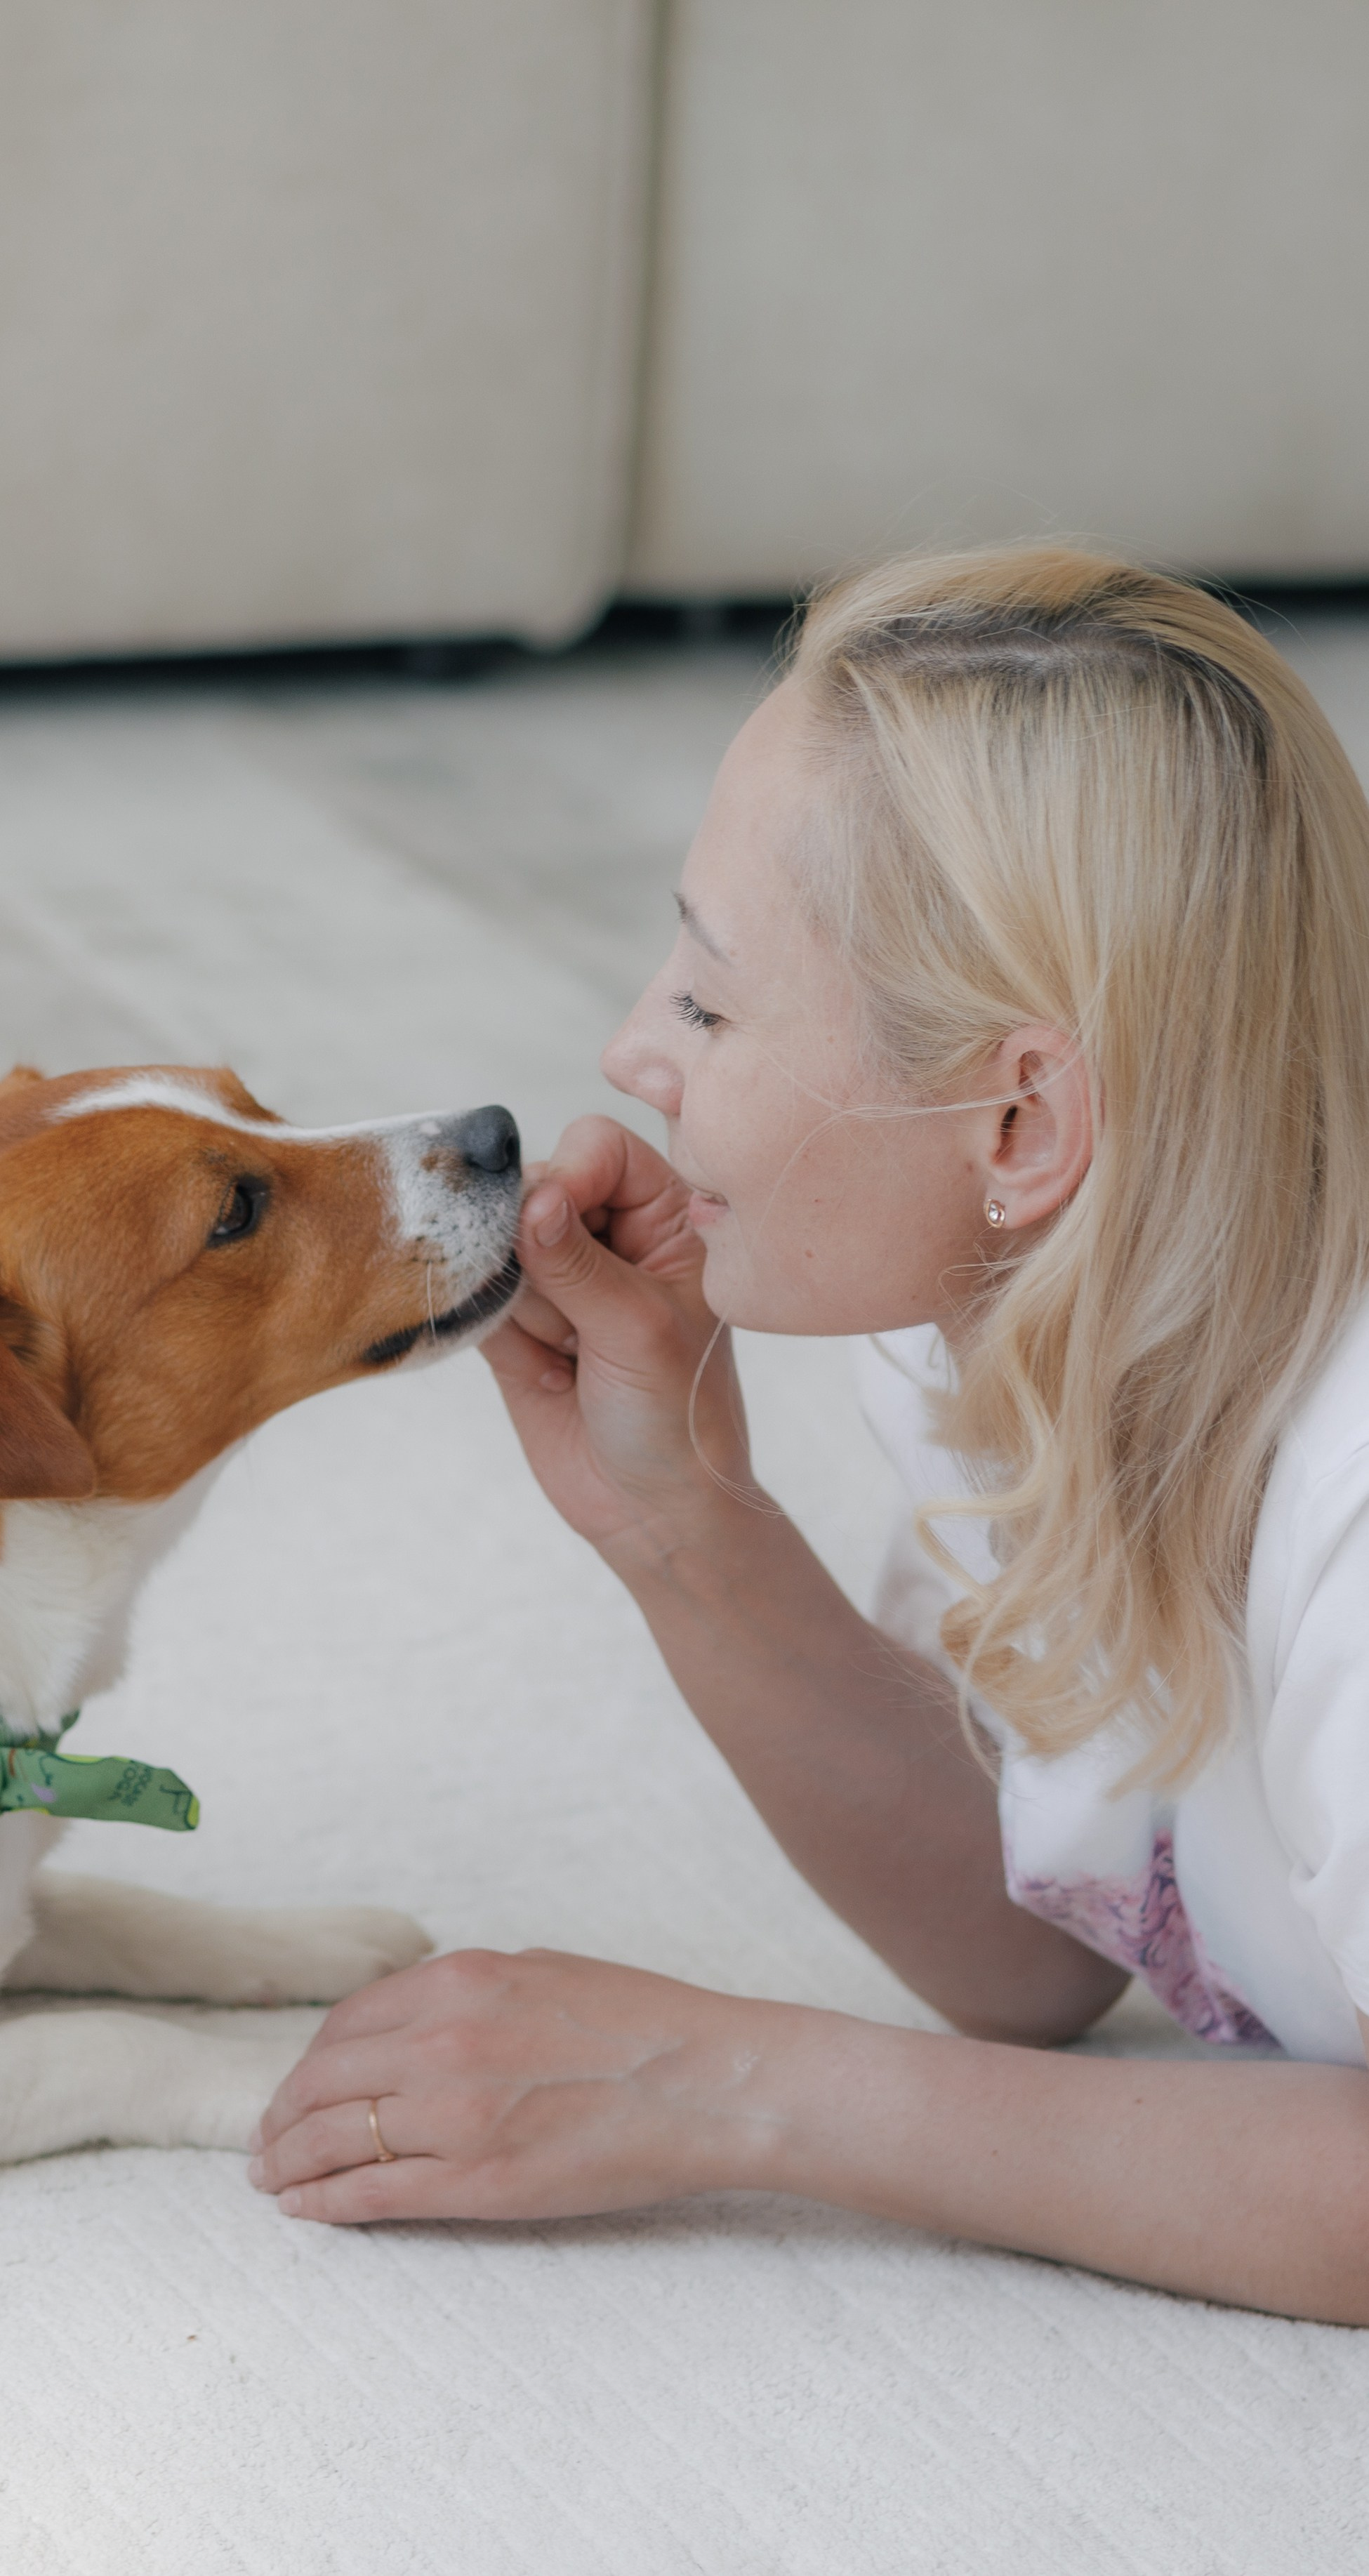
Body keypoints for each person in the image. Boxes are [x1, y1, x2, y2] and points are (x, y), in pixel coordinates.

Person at [249, 546, 1369, 2323]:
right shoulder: (1012, 1312)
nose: (631, 1050)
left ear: (1017, 1118)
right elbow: (1040, 1954)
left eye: (707, 1001)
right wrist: (682, 1519)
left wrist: (739, 2084)